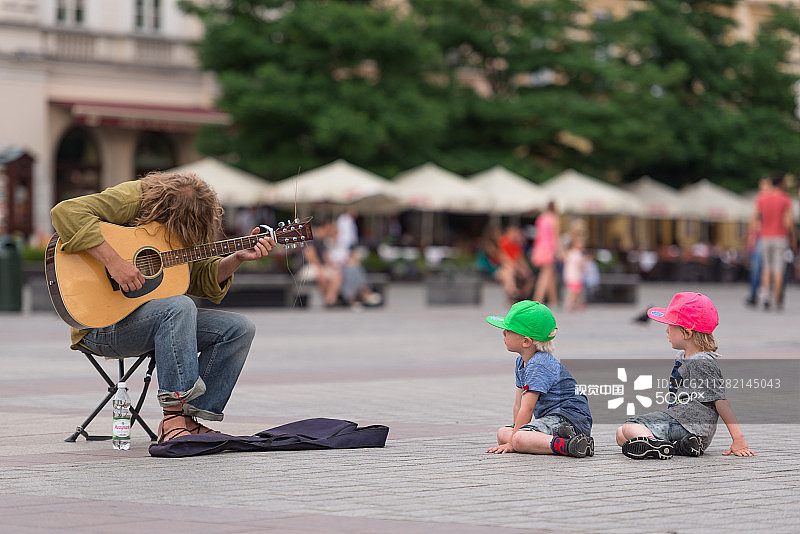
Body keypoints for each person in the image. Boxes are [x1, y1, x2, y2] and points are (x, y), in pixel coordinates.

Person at [50, 171, 276, 443]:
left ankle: (192, 420)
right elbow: (65, 212)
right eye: (178, 222)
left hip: (158, 323)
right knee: (179, 306)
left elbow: (203, 278)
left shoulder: (191, 225)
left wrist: (237, 259)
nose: (182, 230)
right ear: (162, 207)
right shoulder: (132, 199)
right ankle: (172, 419)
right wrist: (116, 263)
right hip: (100, 327)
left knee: (238, 328)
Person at [615, 292, 754, 459]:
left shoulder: (702, 361)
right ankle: (680, 446)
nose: (666, 330)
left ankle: (656, 446)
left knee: (630, 427)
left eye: (670, 326)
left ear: (687, 333)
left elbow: (721, 401)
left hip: (689, 425)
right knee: (621, 436)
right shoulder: (684, 356)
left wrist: (738, 439)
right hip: (686, 429)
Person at [485, 300, 594, 458]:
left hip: (570, 420)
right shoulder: (522, 362)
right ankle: (561, 440)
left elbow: (527, 409)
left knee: (519, 439)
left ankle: (571, 445)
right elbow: (518, 405)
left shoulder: (538, 364)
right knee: (503, 434)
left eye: (508, 331)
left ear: (526, 341)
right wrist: (514, 437)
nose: (503, 334)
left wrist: (515, 440)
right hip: (552, 420)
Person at [753, 173, 795, 310]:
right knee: (778, 269)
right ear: (781, 183)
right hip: (781, 237)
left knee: (766, 269)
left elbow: (755, 218)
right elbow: (788, 221)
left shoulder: (762, 198)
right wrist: (793, 238)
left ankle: (766, 296)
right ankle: (777, 300)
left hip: (765, 237)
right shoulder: (785, 199)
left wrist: (753, 235)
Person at [302, 217, 343, 307]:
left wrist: (334, 266)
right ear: (322, 228)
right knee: (322, 275)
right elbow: (310, 257)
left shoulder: (322, 240)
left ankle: (329, 298)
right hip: (307, 267)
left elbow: (325, 257)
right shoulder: (310, 238)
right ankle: (328, 301)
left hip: (318, 266)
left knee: (337, 274)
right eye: (328, 229)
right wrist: (320, 268)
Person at [495, 224, 535, 304]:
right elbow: (504, 258)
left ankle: (521, 295)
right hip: (503, 268)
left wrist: (526, 269)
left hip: (512, 267)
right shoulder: (504, 242)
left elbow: (520, 259)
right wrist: (518, 268)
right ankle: (513, 292)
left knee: (529, 276)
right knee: (508, 272)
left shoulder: (517, 244)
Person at [531, 201, 561, 306]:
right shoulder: (554, 219)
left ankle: (554, 300)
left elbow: (537, 235)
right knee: (545, 275)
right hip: (548, 248)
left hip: (539, 248)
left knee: (551, 276)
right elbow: (555, 237)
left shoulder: (541, 218)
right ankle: (537, 301)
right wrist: (560, 252)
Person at [562, 236, 587, 311]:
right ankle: (570, 304)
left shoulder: (570, 253)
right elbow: (580, 264)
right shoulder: (577, 253)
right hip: (575, 276)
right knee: (574, 291)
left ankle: (578, 303)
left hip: (569, 275)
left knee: (575, 290)